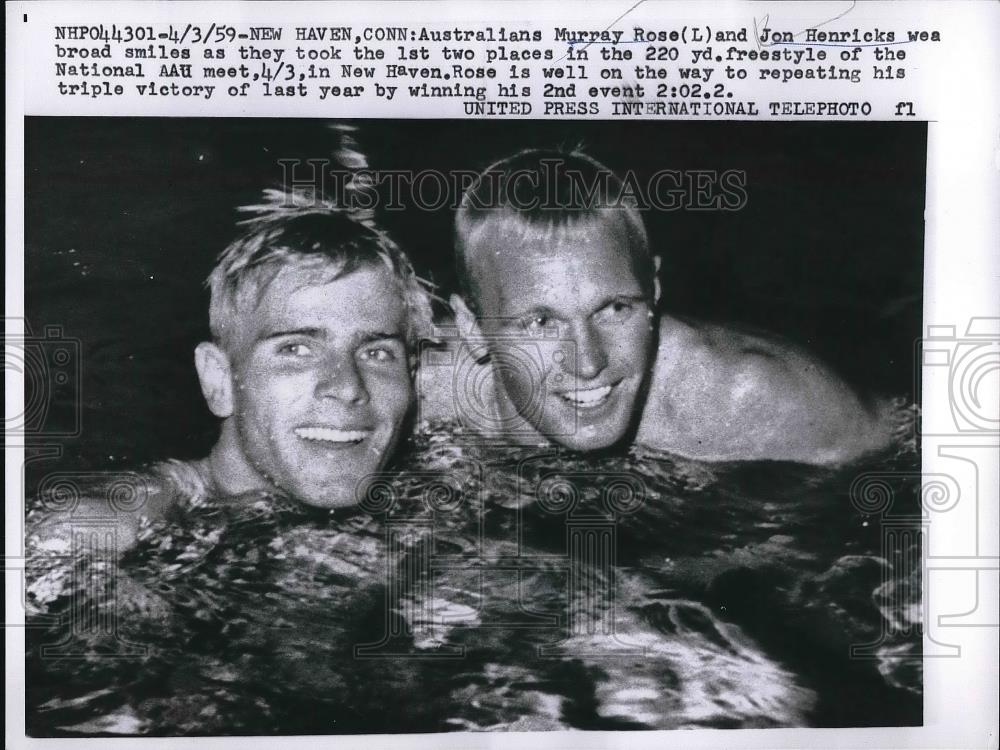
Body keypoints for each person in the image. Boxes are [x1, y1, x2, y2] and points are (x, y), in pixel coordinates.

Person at [429, 148, 895, 464]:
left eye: (614, 308)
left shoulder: (752, 398)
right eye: (541, 321)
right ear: (471, 327)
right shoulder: (418, 390)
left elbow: (905, 454)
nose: (588, 362)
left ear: (652, 289)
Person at [29, 189, 434, 549]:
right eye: (296, 349)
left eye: (378, 353)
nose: (347, 386)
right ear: (218, 379)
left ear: (412, 379)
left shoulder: (423, 500)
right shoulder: (116, 533)